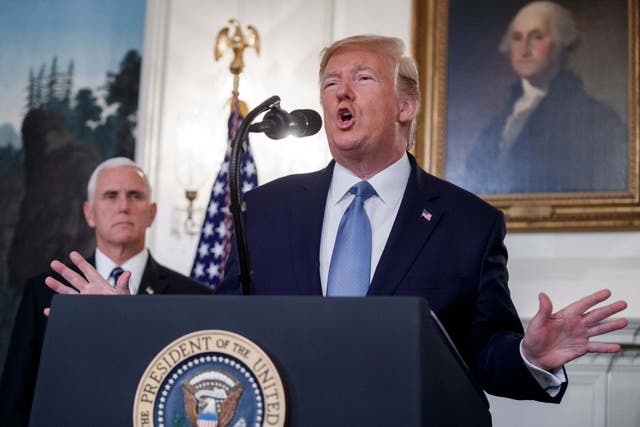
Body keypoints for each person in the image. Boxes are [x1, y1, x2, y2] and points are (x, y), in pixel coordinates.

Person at [45, 36, 627, 404]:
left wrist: (528, 356)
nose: (339, 92)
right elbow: (219, 330)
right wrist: (124, 323)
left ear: (406, 105)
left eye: (362, 78)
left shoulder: (469, 225)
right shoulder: (265, 210)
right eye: (330, 83)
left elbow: (482, 353)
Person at [0, 157, 212, 426]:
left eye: (134, 195)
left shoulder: (194, 296)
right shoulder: (43, 292)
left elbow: (195, 387)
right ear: (89, 213)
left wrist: (129, 319)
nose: (123, 206)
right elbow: (15, 396)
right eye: (111, 196)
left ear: (152, 213)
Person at [462, 1, 627, 194]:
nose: (523, 50)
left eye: (536, 37)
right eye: (517, 38)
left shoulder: (596, 118)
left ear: (559, 44)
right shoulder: (501, 120)